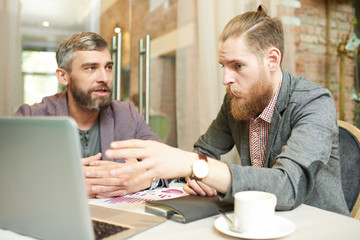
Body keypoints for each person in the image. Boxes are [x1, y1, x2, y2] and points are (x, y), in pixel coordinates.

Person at [96, 5, 350, 216]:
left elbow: (288, 186)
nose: (226, 79)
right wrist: (195, 173)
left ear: (272, 60)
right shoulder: (236, 101)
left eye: (238, 65)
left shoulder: (315, 102)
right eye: (223, 66)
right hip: (259, 223)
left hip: (316, 225)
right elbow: (205, 152)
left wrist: (195, 166)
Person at [14, 31, 167, 198]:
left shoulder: (127, 114)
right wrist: (61, 183)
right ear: (63, 76)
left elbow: (167, 164)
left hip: (115, 218)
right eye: (91, 68)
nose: (104, 78)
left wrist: (145, 180)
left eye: (108, 67)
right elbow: (9, 177)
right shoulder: (32, 117)